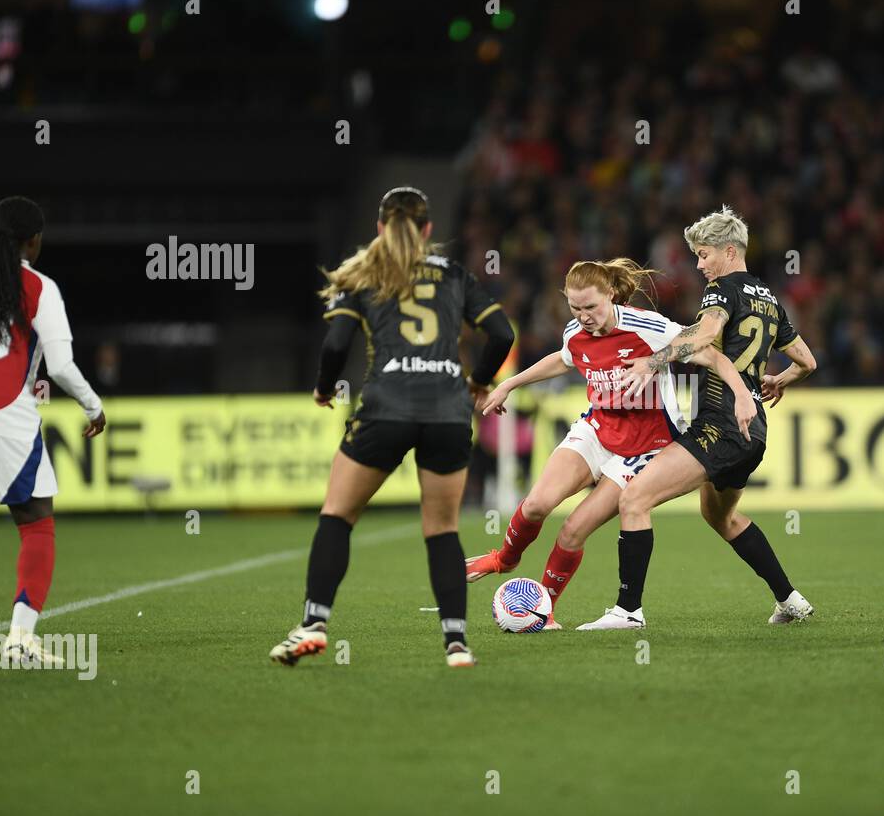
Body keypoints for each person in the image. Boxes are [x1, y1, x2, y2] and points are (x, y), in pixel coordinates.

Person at [268, 187, 514, 668]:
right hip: (446, 410)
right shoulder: (455, 274)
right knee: (442, 529)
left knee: (338, 515)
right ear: (427, 230)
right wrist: (478, 382)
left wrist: (323, 388)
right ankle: (456, 644)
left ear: (380, 228)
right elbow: (502, 332)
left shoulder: (363, 275)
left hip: (386, 407)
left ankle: (314, 623)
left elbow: (336, 345)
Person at [466, 258, 754, 628]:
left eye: (591, 307)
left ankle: (542, 609)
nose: (583, 316)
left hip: (645, 446)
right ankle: (505, 558)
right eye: (575, 307)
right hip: (598, 429)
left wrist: (742, 394)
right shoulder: (575, 330)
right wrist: (508, 383)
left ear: (611, 296)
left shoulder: (648, 327)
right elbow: (564, 358)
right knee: (536, 504)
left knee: (573, 529)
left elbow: (708, 352)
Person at [579, 206, 818, 630]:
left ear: (729, 251)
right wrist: (780, 379)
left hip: (721, 425)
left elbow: (706, 334)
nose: (699, 264)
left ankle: (627, 612)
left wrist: (653, 362)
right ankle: (791, 600)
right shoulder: (768, 298)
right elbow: (807, 362)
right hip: (753, 431)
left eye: (704, 254)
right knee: (719, 516)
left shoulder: (721, 290)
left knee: (634, 498)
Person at [0, 196, 106, 664]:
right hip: (6, 416)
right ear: (33, 241)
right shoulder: (38, 287)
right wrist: (92, 405)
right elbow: (59, 365)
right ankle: (20, 640)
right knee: (37, 524)